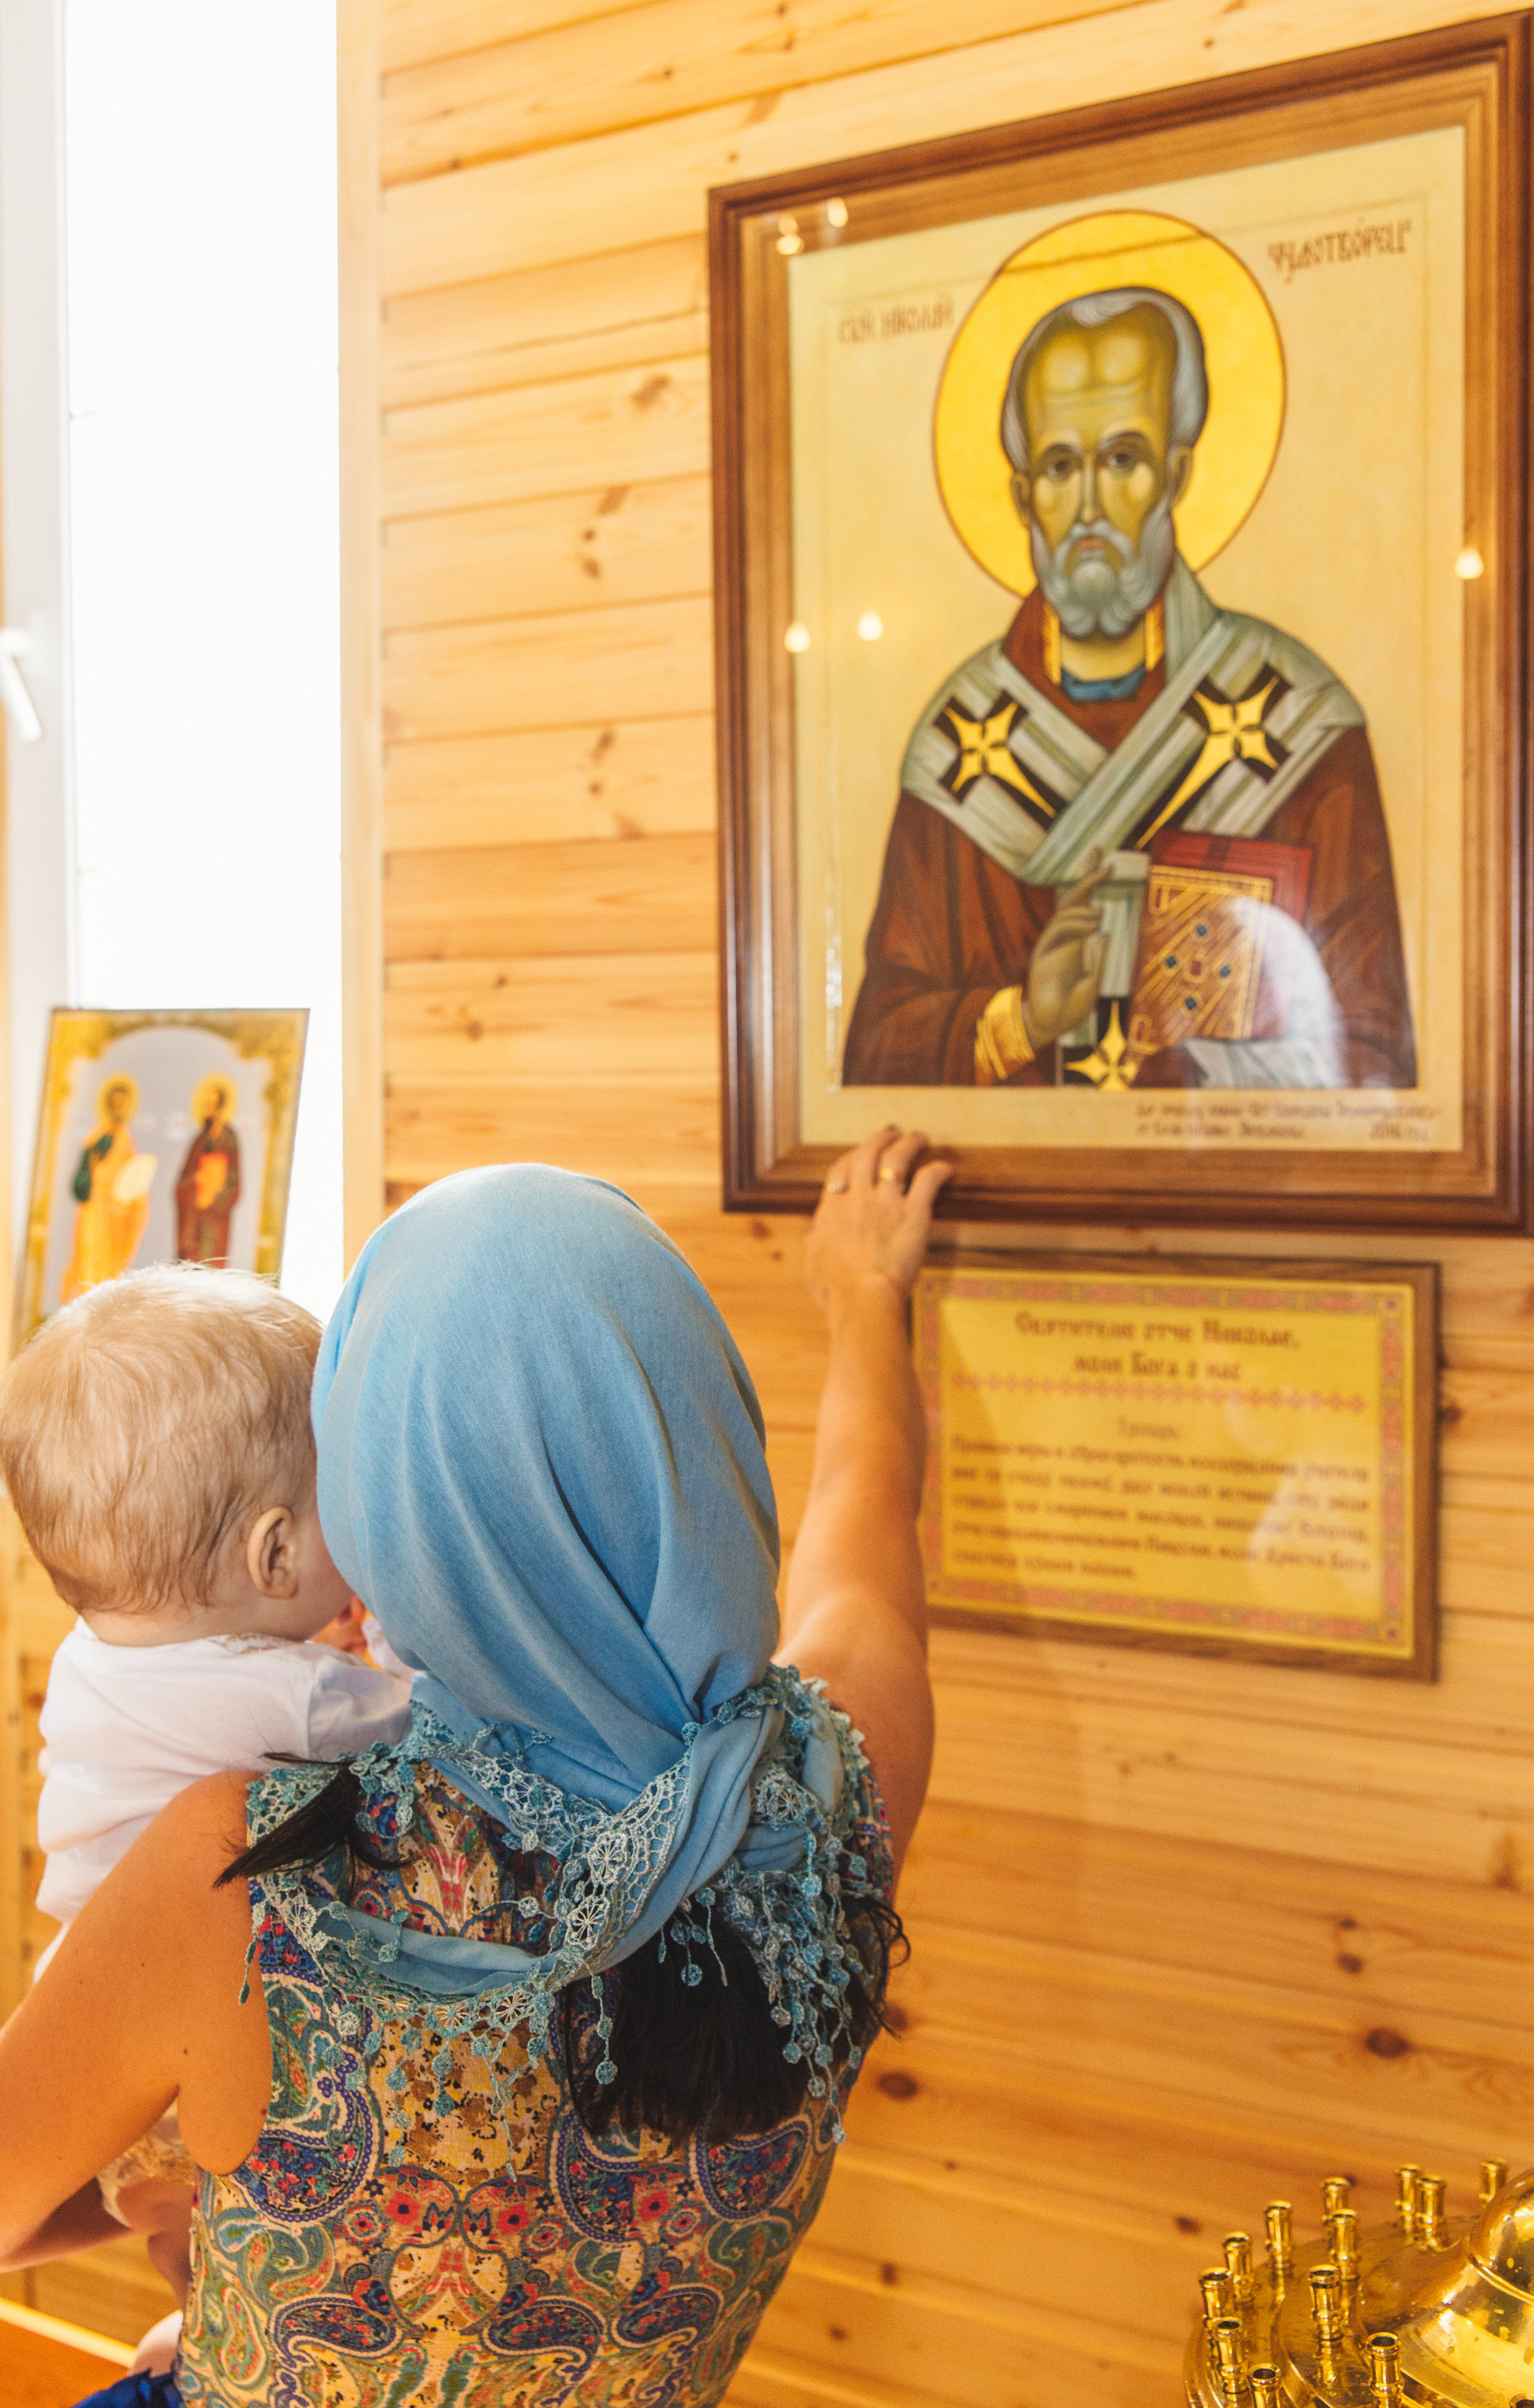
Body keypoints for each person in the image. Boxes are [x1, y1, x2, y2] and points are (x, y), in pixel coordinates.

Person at [0, 1130, 948, 2408]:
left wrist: (213, 2222)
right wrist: (868, 1294)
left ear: (390, 1508)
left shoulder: (246, 1871)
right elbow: (865, 1518)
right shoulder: (838, 1789)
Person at [843, 285, 1416, 1092]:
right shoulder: (956, 751)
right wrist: (1019, 1020)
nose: (1088, 507)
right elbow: (873, 1059)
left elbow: (1374, 1068)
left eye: (1122, 460)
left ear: (1176, 474)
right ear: (1022, 496)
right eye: (1059, 466)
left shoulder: (1300, 726)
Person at [0, 1265, 412, 2339]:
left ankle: (197, 2320)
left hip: (96, 2048)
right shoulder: (303, 1699)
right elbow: (440, 1745)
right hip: (218, 2060)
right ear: (275, 1552)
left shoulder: (90, 1658)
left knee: (184, 2230)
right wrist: (394, 1640)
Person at [61, 1076, 155, 1305]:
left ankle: (98, 1305)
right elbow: (83, 1174)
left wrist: (129, 1202)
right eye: (115, 1102)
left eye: (122, 1103)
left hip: (114, 1217)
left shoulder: (125, 1140)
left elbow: (130, 1180)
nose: (118, 1107)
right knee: (88, 1258)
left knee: (107, 1265)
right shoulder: (97, 1135)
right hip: (94, 1211)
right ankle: (83, 1304)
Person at [174, 1078, 241, 1268]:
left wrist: (213, 1197)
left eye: (213, 1104)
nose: (208, 1108)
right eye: (206, 1104)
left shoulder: (229, 1138)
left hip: (214, 1220)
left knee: (209, 1264)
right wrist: (195, 1183)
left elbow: (234, 1183)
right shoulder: (200, 1140)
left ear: (221, 1106)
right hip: (194, 1216)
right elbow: (183, 1181)